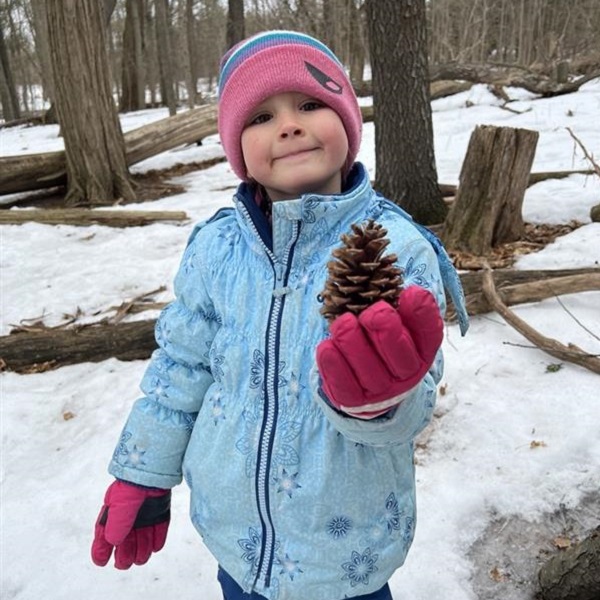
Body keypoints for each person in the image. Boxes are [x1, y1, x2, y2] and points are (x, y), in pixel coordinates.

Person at [91, 30, 468, 600]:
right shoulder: (217, 247)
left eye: (311, 104)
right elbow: (181, 370)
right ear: (237, 148)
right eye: (261, 116)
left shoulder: (394, 247)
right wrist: (143, 470)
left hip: (348, 550)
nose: (289, 125)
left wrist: (380, 402)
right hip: (235, 538)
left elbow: (413, 408)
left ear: (347, 122)